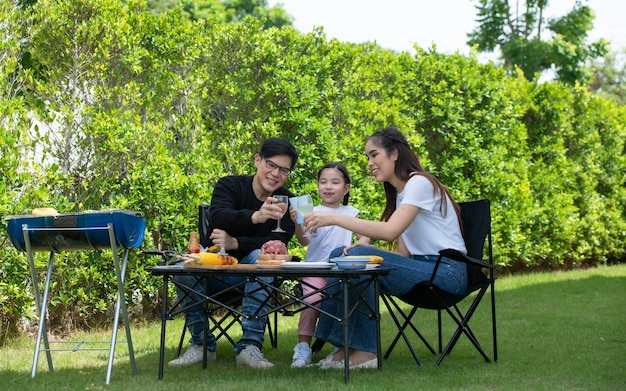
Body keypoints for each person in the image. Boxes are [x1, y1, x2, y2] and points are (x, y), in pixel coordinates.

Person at [303, 126, 468, 369]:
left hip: (447, 272)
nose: (370, 162)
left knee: (357, 255)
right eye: (368, 157)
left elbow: (390, 231)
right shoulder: (401, 194)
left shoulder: (419, 183)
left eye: (374, 154)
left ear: (394, 154)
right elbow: (404, 255)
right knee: (341, 255)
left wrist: (335, 218)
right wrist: (368, 256)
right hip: (421, 267)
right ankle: (344, 347)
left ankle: (365, 353)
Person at [168, 137, 298, 369]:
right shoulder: (230, 185)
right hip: (213, 270)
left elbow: (279, 241)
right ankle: (202, 346)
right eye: (271, 165)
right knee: (181, 268)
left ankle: (250, 346)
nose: (276, 173)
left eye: (284, 170)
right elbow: (218, 216)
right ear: (258, 160)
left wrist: (237, 242)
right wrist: (255, 217)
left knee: (263, 257)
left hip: (253, 275)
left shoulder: (287, 201)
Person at [288, 163, 369, 368]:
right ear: (317, 186)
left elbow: (365, 238)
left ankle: (338, 345)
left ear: (346, 188)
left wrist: (356, 246)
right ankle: (303, 347)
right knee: (312, 301)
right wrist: (298, 222)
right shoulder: (311, 211)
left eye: (335, 182)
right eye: (323, 182)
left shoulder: (350, 212)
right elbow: (304, 241)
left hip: (340, 271)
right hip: (315, 268)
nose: (328, 186)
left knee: (342, 305)